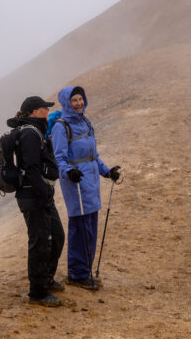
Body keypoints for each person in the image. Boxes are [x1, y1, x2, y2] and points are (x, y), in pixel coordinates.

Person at [51, 86, 121, 290]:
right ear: (66, 102)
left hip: (90, 182)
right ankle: (77, 274)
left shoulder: (85, 122)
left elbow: (94, 156)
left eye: (81, 99)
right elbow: (59, 157)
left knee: (90, 227)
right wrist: (69, 172)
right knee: (80, 228)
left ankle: (84, 271)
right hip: (76, 183)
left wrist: (107, 172)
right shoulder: (61, 127)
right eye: (74, 100)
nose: (79, 103)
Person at [7, 96, 65, 307]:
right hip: (34, 197)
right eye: (44, 109)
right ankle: (37, 293)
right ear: (34, 112)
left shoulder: (36, 131)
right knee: (40, 243)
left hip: (40, 196)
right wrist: (43, 193)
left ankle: (46, 279)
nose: (47, 112)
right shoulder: (30, 134)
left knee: (56, 236)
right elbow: (31, 168)